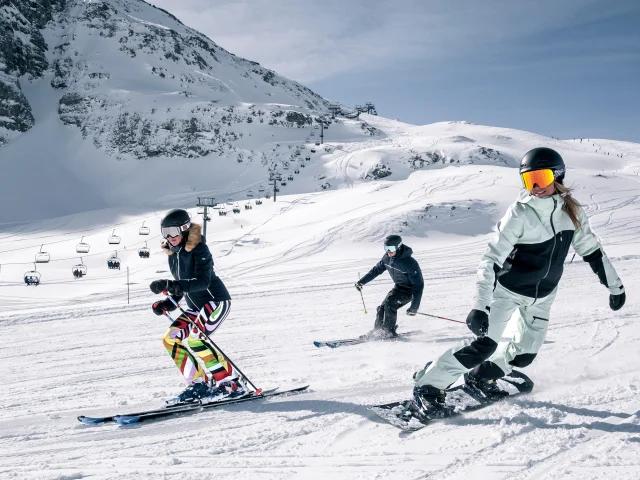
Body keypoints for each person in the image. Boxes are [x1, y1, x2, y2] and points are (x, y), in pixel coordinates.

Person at [412, 147, 626, 413]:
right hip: (507, 291)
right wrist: (480, 305)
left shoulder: (573, 212)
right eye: (529, 180)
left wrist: (615, 286)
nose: (535, 187)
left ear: (558, 176)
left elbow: (592, 250)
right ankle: (429, 386)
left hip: (543, 296)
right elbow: (490, 259)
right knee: (484, 344)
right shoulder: (520, 213)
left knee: (524, 354)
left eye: (541, 178)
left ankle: (481, 377)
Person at [149, 208, 243, 405]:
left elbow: (202, 282)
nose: (170, 237)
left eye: (173, 232)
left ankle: (231, 383)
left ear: (184, 229)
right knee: (171, 339)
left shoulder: (199, 248)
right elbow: (181, 286)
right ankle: (198, 383)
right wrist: (167, 303)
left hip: (215, 301)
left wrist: (169, 284)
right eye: (165, 233)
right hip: (194, 307)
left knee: (196, 339)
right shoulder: (172, 254)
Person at [355, 235, 424, 338]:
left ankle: (388, 331)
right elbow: (376, 270)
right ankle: (377, 330)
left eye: (391, 249)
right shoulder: (387, 258)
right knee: (381, 308)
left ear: (399, 247)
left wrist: (414, 307)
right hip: (398, 288)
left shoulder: (410, 263)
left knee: (390, 304)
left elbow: (418, 286)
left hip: (409, 291)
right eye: (386, 248)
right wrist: (362, 282)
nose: (388, 252)